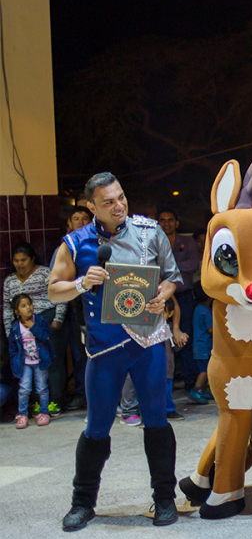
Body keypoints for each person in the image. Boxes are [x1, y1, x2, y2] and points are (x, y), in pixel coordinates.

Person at [48, 172, 182, 530]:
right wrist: (79, 282)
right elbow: (52, 291)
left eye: (121, 197)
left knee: (156, 421)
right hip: (104, 348)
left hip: (148, 340)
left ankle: (164, 499)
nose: (118, 205)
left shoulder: (150, 230)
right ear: (90, 206)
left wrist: (162, 296)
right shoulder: (75, 243)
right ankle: (82, 503)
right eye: (108, 202)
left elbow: (172, 276)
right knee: (97, 427)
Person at [4, 242, 67, 415]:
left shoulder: (45, 273)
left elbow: (60, 294)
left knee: (50, 361)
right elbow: (6, 307)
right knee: (29, 363)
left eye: (23, 260)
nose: (20, 264)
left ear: (32, 259)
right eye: (16, 261)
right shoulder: (10, 281)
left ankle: (54, 401)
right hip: (22, 328)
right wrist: (10, 331)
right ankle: (37, 403)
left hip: (45, 320)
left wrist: (58, 319)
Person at [158, 208, 201, 392]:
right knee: (160, 341)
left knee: (186, 338)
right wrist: (175, 268)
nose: (166, 223)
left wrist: (167, 266)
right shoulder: (154, 241)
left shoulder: (188, 241)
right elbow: (152, 267)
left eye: (170, 220)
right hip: (159, 298)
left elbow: (192, 265)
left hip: (184, 297)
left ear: (176, 223)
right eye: (163, 220)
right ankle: (168, 380)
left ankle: (190, 382)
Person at [61, 207, 94, 413]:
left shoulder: (98, 244)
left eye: (85, 219)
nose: (81, 222)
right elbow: (58, 285)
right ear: (69, 223)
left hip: (101, 310)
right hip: (76, 311)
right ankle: (85, 398)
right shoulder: (66, 248)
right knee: (81, 355)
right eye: (76, 219)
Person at [8, 294, 53, 429]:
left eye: (29, 304)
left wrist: (33, 327)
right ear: (17, 312)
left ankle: (44, 413)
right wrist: (14, 362)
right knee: (24, 389)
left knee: (42, 388)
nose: (28, 307)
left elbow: (46, 337)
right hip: (25, 363)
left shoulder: (40, 321)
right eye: (23, 306)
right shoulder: (15, 327)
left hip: (40, 361)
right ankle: (22, 415)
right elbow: (12, 348)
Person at [189, 283, 213, 404]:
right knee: (206, 370)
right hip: (204, 345)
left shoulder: (197, 308)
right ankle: (196, 390)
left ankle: (203, 391)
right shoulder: (206, 311)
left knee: (203, 368)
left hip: (197, 344)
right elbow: (211, 329)